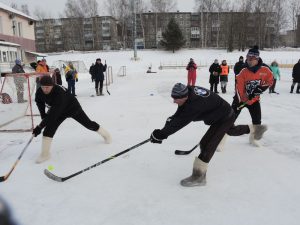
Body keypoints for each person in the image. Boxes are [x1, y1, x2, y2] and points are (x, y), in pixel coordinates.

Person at [149, 83, 264, 187]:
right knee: (231, 130)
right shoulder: (188, 93)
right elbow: (178, 115)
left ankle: (199, 176)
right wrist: (162, 132)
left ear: (184, 96)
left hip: (223, 117)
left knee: (207, 144)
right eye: (173, 98)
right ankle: (256, 129)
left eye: (176, 99)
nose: (174, 101)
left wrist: (162, 134)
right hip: (222, 112)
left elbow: (180, 122)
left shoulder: (194, 105)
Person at [32, 75, 112, 163]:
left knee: (88, 124)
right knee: (48, 130)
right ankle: (45, 155)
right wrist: (43, 117)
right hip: (58, 110)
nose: (45, 89)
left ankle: (106, 135)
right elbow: (39, 103)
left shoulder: (59, 93)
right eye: (43, 87)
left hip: (72, 108)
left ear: (52, 85)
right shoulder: (39, 92)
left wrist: (39, 127)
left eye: (48, 87)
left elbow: (53, 115)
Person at [232, 46, 273, 146]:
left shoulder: (265, 69)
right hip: (240, 100)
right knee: (229, 119)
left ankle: (254, 139)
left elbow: (270, 80)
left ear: (257, 59)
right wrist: (243, 98)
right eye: (248, 58)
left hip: (254, 100)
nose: (249, 61)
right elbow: (239, 87)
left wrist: (259, 89)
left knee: (257, 121)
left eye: (251, 59)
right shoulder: (243, 71)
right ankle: (220, 138)